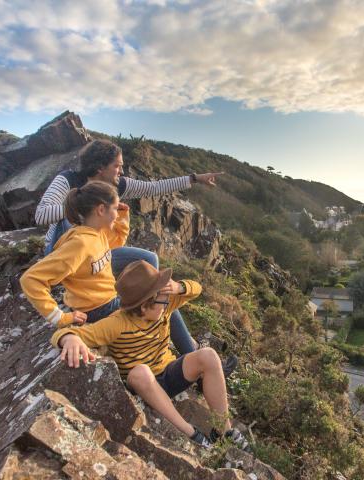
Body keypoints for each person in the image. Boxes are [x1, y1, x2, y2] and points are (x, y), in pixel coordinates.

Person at [35, 139, 231, 370]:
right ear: (100, 168)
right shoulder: (69, 180)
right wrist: (83, 206)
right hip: (66, 252)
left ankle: (185, 349)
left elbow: (153, 187)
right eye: (117, 166)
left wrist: (194, 178)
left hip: (99, 249)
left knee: (150, 264)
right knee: (78, 227)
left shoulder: (117, 186)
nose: (122, 170)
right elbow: (41, 215)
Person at [50, 260, 250, 450]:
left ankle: (225, 431)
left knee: (208, 355)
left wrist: (179, 287)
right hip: (145, 387)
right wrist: (70, 339)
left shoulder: (164, 308)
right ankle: (192, 434)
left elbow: (196, 289)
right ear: (144, 306)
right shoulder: (116, 324)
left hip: (169, 373)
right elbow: (67, 333)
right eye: (161, 301)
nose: (166, 304)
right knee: (140, 373)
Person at [21, 181, 129, 327]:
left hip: (105, 300)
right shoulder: (80, 244)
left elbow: (116, 242)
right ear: (101, 210)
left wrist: (122, 216)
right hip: (96, 309)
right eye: (115, 208)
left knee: (155, 301)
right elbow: (30, 279)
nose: (117, 213)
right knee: (154, 309)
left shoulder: (98, 231)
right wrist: (59, 317)